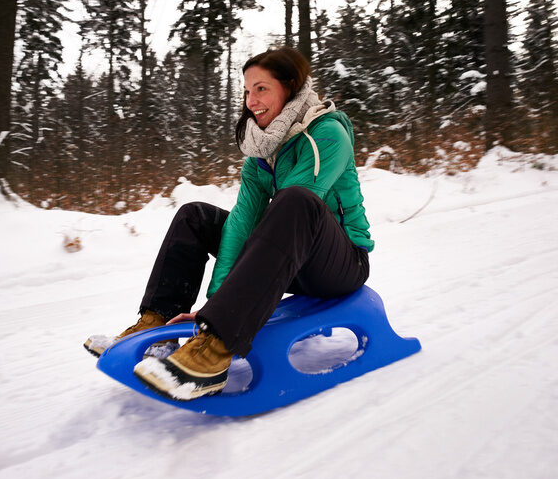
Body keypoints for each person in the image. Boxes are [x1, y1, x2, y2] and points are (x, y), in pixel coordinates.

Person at [84, 46, 374, 400]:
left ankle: (216, 353)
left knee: (295, 199)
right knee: (196, 216)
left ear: (291, 88)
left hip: (340, 264)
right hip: (290, 255)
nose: (251, 100)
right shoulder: (261, 154)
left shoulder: (328, 135)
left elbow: (295, 212)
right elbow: (242, 223)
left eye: (262, 88)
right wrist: (216, 299)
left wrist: (219, 318)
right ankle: (155, 326)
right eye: (247, 90)